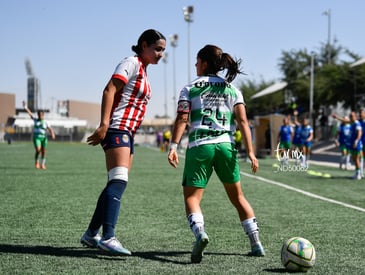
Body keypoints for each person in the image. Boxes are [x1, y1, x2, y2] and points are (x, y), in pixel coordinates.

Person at [167, 44, 265, 263]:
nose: (195, 65)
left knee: (192, 197)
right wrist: (251, 152)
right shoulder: (233, 89)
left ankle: (200, 233)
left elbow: (183, 118)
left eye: (196, 61)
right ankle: (256, 243)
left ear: (203, 62)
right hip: (226, 147)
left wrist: (173, 146)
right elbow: (243, 122)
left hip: (200, 146)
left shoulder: (190, 88)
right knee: (238, 197)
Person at [80, 29, 166, 255]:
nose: (160, 54)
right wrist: (104, 124)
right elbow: (109, 90)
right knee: (118, 181)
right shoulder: (131, 62)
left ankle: (91, 235)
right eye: (157, 49)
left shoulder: (144, 70)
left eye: (163, 50)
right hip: (117, 127)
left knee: (116, 182)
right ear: (144, 45)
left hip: (128, 133)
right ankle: (108, 237)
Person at [22, 101, 55, 169]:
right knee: (38, 150)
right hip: (37, 138)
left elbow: (50, 129)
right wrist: (25, 107)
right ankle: (36, 162)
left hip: (44, 138)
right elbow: (30, 114)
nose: (40, 116)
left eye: (41, 115)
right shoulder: (35, 120)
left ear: (43, 115)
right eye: (39, 115)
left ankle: (42, 164)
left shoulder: (46, 122)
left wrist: (52, 134)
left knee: (43, 151)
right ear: (38, 115)